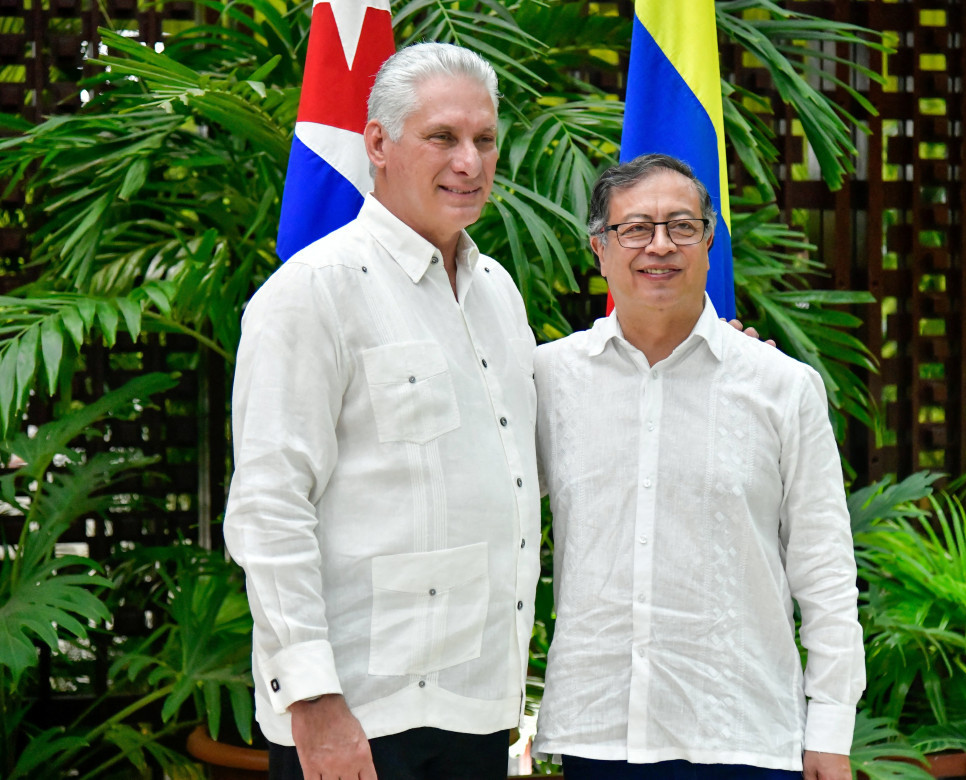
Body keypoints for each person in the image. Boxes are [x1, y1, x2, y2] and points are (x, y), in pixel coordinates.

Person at [224, 43, 540, 780]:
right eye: (443, 138)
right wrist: (314, 701)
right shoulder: (313, 293)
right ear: (377, 144)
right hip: (359, 719)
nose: (470, 161)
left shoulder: (498, 292)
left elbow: (531, 459)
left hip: (477, 707)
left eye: (485, 140)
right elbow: (270, 510)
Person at [532, 154, 865, 780]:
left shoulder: (782, 388)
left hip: (743, 737)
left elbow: (824, 568)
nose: (660, 245)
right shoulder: (548, 380)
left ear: (709, 243)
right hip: (598, 736)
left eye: (681, 226)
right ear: (600, 249)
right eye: (635, 228)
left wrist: (831, 728)